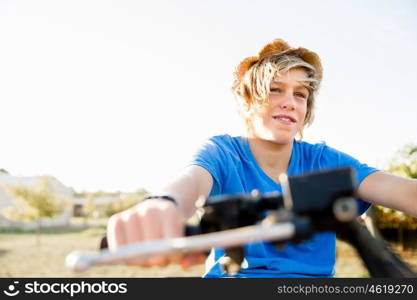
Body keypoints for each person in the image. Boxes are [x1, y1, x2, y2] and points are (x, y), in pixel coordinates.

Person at [106, 39, 417, 278]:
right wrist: (161, 205)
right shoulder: (223, 153)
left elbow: (404, 192)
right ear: (247, 100)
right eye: (275, 90)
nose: (289, 103)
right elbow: (189, 182)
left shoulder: (325, 160)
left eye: (300, 95)